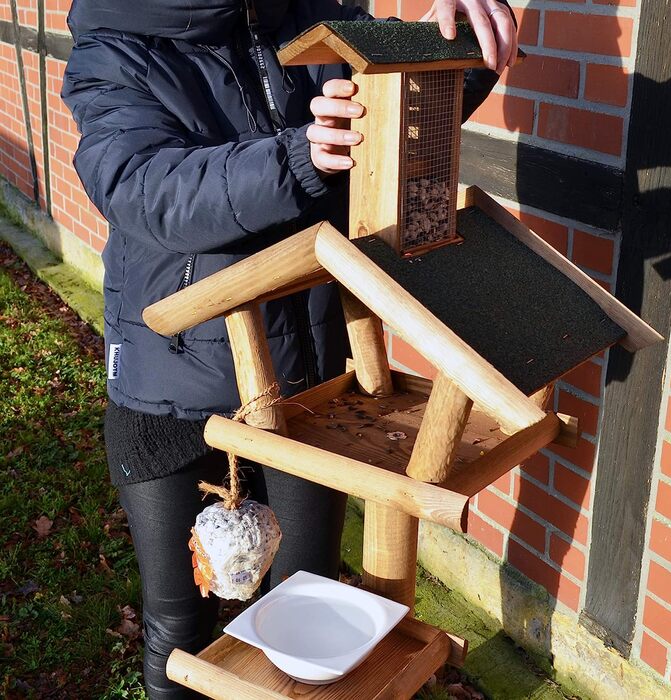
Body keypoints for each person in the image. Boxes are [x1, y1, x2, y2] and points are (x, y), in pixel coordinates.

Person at [62, 0, 516, 696]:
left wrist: (455, 37)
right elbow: (141, 186)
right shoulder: (115, 41)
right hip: (168, 384)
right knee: (180, 622)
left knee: (305, 592)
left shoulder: (315, 16)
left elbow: (401, 100)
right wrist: (297, 155)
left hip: (303, 383)